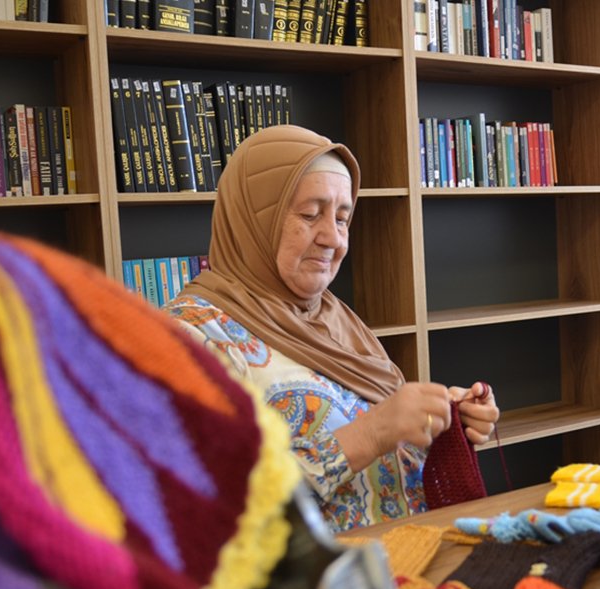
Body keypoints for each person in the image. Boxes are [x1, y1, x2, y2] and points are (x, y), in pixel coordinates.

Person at [166, 125, 500, 532]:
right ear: (254, 220)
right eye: (310, 214)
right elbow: (208, 509)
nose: (333, 238)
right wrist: (371, 433)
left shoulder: (337, 320)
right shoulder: (190, 338)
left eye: (342, 218)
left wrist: (441, 422)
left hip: (406, 564)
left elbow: (387, 452)